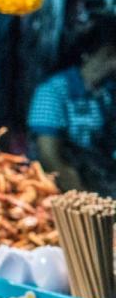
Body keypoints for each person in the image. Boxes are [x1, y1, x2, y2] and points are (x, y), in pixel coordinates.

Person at [28, 15, 116, 195]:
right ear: (87, 53)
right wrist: (84, 198)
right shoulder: (52, 92)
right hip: (63, 191)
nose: (114, 64)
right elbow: (49, 156)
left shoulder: (107, 93)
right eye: (108, 55)